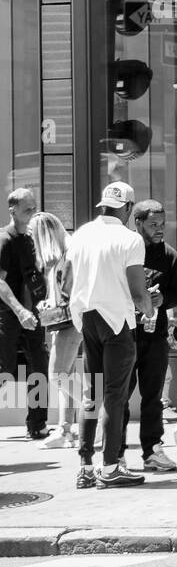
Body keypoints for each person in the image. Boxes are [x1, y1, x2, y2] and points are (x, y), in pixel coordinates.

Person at [66, 182, 154, 489]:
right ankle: (112, 465)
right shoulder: (130, 239)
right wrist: (149, 307)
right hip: (116, 320)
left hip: (87, 317)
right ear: (128, 208)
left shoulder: (80, 235)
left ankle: (85, 466)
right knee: (115, 396)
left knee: (92, 395)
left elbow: (67, 281)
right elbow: (136, 290)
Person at [127, 200, 177, 471]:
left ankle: (152, 450)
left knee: (153, 397)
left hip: (155, 334)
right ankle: (114, 455)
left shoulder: (169, 255)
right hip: (125, 335)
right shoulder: (127, 251)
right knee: (119, 395)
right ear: (137, 223)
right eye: (153, 224)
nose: (159, 229)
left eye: (162, 224)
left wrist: (163, 298)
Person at [0, 188, 50, 441]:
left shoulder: (31, 239)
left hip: (34, 315)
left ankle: (37, 424)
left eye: (34, 207)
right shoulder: (4, 240)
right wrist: (19, 311)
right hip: (8, 317)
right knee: (4, 372)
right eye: (27, 209)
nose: (32, 212)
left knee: (39, 367)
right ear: (13, 211)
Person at [29, 212, 80, 449]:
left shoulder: (67, 256)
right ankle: (65, 429)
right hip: (69, 321)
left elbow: (71, 293)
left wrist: (53, 303)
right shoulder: (66, 253)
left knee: (58, 374)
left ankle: (97, 412)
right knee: (65, 376)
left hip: (70, 322)